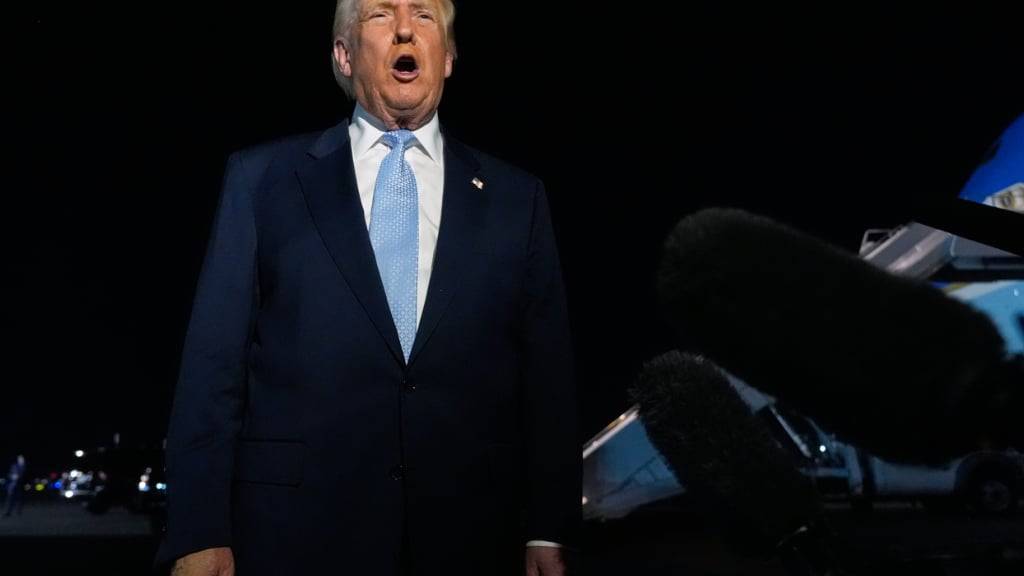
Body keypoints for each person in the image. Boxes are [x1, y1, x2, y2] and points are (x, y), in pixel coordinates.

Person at [155, 1, 578, 575]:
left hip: (472, 535)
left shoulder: (515, 198)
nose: (406, 27)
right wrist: (197, 530)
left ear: (448, 58)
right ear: (343, 54)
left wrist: (549, 528)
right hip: (294, 536)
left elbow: (547, 378)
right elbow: (212, 367)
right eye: (382, 14)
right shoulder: (262, 181)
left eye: (425, 17)